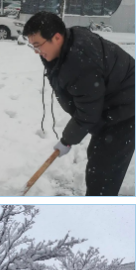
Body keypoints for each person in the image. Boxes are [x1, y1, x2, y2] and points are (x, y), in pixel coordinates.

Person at [22, 12, 135, 197]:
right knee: (99, 158)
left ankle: (99, 207)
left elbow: (88, 111)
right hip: (111, 104)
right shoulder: (66, 45)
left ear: (56, 37)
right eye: (32, 45)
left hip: (125, 109)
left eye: (37, 45)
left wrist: (67, 140)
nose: (36, 51)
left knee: (104, 171)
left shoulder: (80, 62)